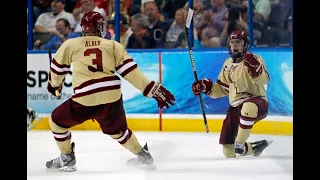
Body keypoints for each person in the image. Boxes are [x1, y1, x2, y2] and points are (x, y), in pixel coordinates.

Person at [45, 11, 175, 172]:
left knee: (56, 121)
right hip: (111, 96)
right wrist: (151, 88)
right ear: (99, 27)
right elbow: (133, 74)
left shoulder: (70, 44)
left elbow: (57, 72)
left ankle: (67, 158)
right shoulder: (113, 45)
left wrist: (54, 85)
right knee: (119, 131)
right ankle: (143, 156)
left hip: (85, 98)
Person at [191, 30, 272, 158]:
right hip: (235, 107)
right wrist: (206, 88)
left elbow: (264, 80)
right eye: (233, 43)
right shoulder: (227, 64)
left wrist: (256, 71)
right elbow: (222, 89)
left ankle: (239, 143)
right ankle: (254, 148)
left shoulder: (255, 59)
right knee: (228, 150)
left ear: (245, 45)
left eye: (238, 43)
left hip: (257, 102)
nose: (235, 46)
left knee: (248, 107)